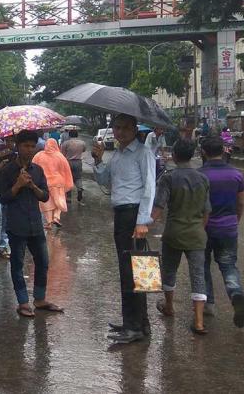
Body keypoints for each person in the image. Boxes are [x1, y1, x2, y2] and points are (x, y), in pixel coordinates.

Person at [93, 113, 156, 344]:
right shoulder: (118, 154)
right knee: (129, 270)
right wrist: (98, 160)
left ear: (134, 128)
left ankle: (134, 327)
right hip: (121, 215)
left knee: (133, 272)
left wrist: (142, 221)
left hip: (133, 215)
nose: (119, 132)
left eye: (124, 128)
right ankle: (139, 323)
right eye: (116, 128)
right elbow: (103, 181)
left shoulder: (143, 152)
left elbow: (150, 187)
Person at [0, 130, 64, 318]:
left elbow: (45, 196)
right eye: (25, 146)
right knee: (17, 264)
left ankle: (39, 299)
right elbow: (3, 198)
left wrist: (32, 186)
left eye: (32, 146)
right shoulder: (7, 170)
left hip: (35, 224)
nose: (29, 150)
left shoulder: (37, 170)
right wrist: (18, 185)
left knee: (43, 261)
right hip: (16, 225)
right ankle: (22, 302)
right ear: (17, 147)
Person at [151, 139, 211, 334]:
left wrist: (144, 224)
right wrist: (198, 228)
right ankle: (199, 321)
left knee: (169, 270)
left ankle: (169, 306)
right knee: (198, 276)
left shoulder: (168, 178)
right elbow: (206, 211)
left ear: (174, 156)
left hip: (174, 233)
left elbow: (159, 207)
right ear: (193, 154)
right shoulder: (203, 179)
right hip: (196, 235)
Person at [198, 136, 244, 327]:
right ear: (224, 150)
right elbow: (241, 202)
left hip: (204, 228)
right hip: (228, 228)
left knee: (203, 265)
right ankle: (236, 293)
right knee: (228, 266)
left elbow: (197, 205)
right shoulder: (236, 175)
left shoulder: (200, 175)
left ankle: (209, 304)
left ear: (203, 153)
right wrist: (236, 220)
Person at [33, 138, 74, 231]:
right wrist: (68, 182)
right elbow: (66, 170)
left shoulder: (39, 155)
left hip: (44, 182)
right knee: (59, 200)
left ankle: (49, 222)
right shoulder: (60, 156)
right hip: (58, 183)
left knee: (47, 202)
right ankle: (56, 217)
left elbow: (33, 167)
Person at [60, 129, 86, 204]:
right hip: (78, 162)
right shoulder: (82, 143)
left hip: (68, 162)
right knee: (78, 177)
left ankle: (68, 198)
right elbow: (84, 150)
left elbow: (62, 154)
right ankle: (80, 189)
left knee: (68, 179)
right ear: (77, 135)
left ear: (69, 135)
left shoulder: (66, 143)